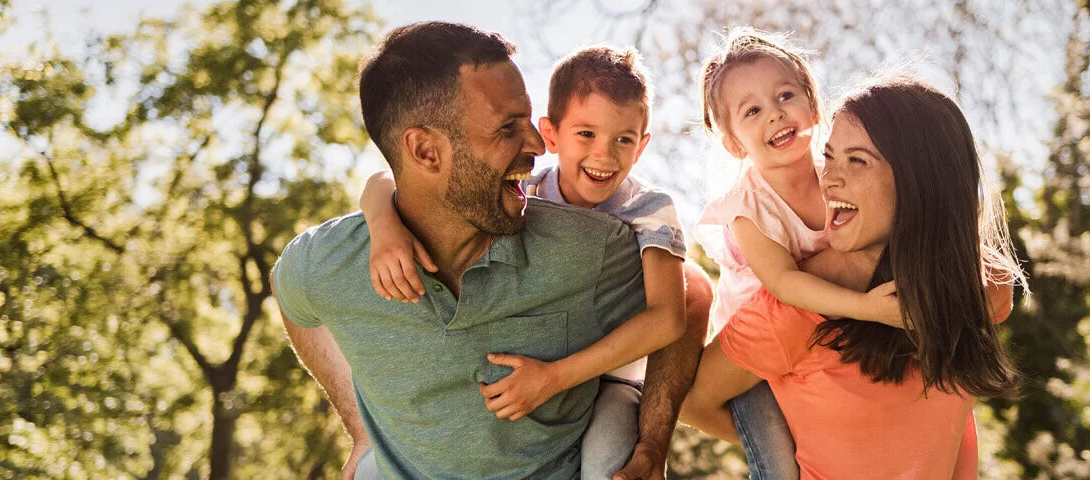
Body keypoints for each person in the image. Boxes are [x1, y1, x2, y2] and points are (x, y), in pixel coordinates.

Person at [272, 22, 699, 480]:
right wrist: (361, 430)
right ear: (424, 151)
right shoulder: (331, 261)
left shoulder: (602, 239)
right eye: (506, 128)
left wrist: (652, 443)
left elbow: (688, 300)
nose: (537, 147)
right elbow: (292, 293)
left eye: (623, 139)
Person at [681, 75, 1024, 479]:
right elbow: (693, 404)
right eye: (829, 157)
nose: (828, 179)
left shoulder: (984, 285)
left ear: (921, 179)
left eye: (857, 160)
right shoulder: (794, 311)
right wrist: (789, 450)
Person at [688, 28, 905, 480]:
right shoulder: (748, 206)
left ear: (812, 103)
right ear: (734, 143)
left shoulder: (839, 176)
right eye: (752, 111)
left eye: (785, 95)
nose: (775, 114)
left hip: (813, 338)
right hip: (751, 362)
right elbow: (785, 285)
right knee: (781, 467)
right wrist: (868, 308)